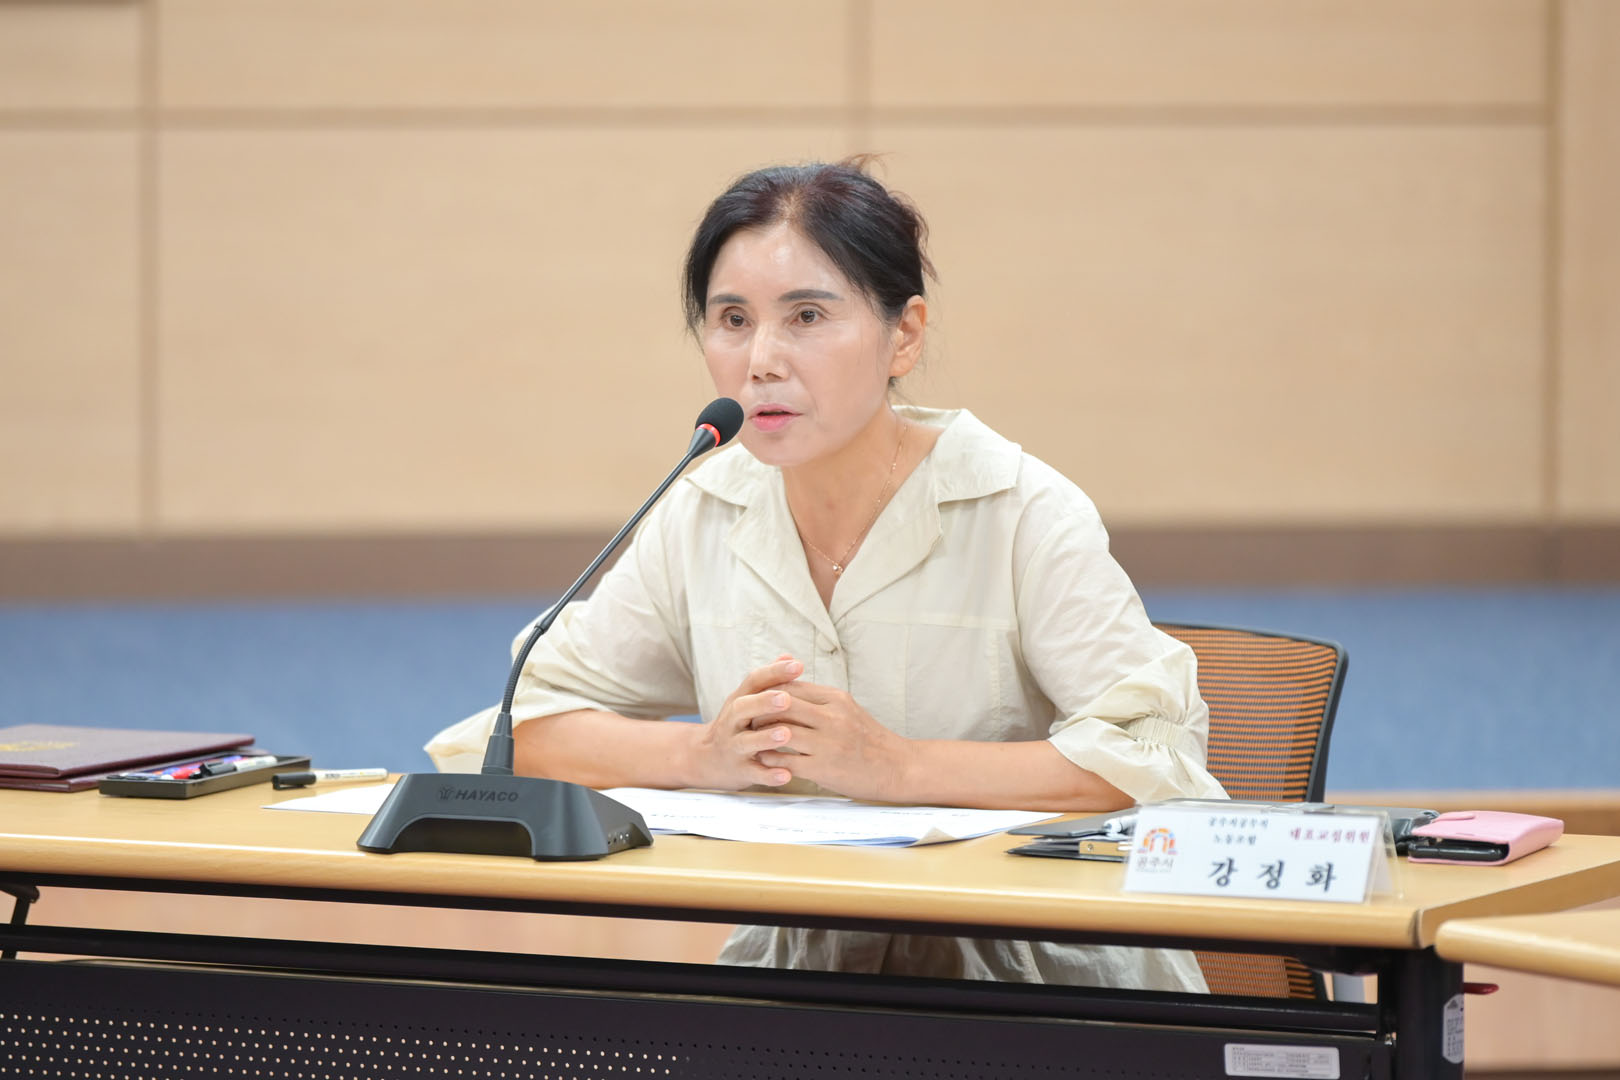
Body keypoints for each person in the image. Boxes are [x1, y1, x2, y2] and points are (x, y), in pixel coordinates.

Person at [427, 158, 1226, 991]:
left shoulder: (1021, 509)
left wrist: (901, 769)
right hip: (807, 984)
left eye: (806, 315)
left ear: (904, 335)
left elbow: (1157, 758)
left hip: (1041, 983)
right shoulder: (703, 510)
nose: (761, 360)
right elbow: (527, 729)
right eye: (732, 319)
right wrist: (702, 753)